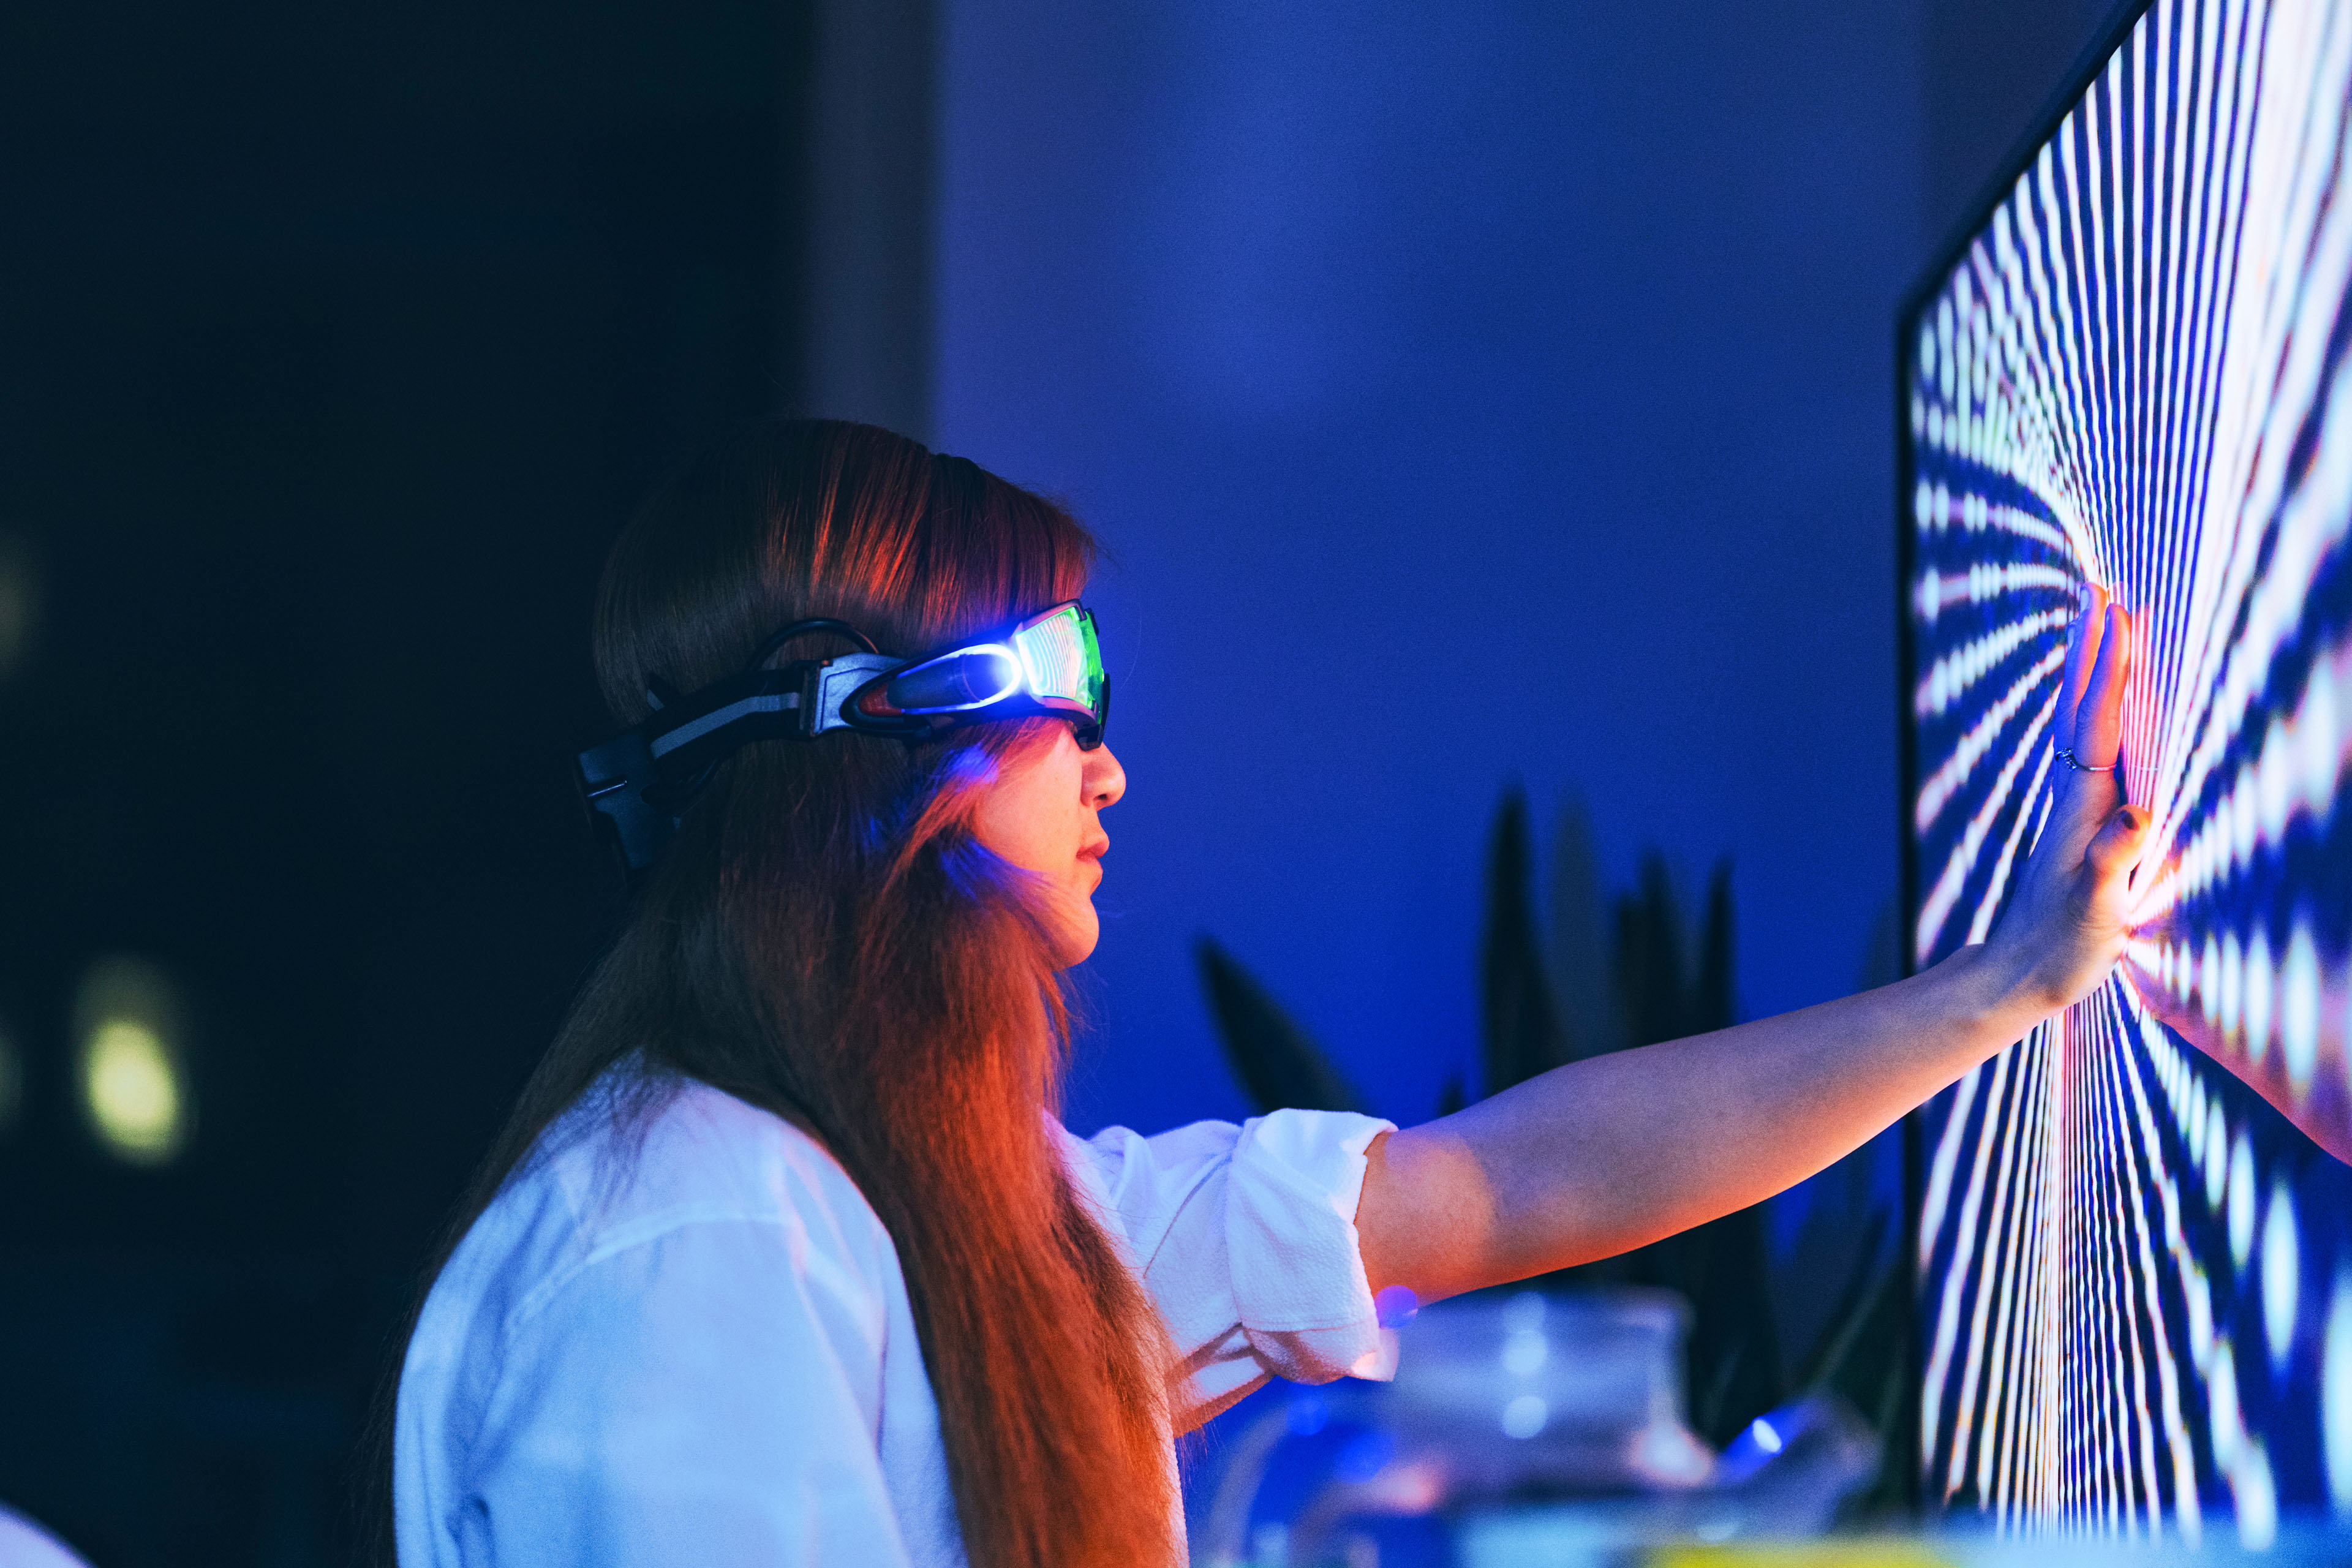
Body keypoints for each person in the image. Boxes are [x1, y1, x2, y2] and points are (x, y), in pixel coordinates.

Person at [387, 418, 2147, 1567]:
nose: (1108, 768)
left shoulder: (996, 1220)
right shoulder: (695, 1234)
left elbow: (1516, 1181)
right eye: (1063, 689)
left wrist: (2007, 985)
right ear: (876, 728)